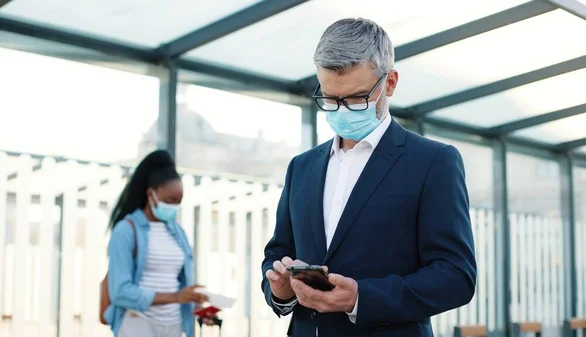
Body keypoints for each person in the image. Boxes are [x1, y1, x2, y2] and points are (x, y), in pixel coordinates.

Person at [261, 18, 477, 337]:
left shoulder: (433, 162)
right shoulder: (301, 167)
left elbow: (456, 276)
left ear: (390, 83)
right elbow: (277, 253)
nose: (342, 110)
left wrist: (361, 298)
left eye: (357, 98)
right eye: (331, 99)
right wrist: (280, 291)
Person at [103, 150, 215, 337]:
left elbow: (178, 284)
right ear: (150, 194)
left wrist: (198, 307)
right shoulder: (126, 230)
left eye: (178, 202)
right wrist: (175, 297)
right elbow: (120, 291)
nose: (173, 207)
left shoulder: (178, 233)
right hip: (138, 325)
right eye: (168, 200)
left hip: (174, 325)